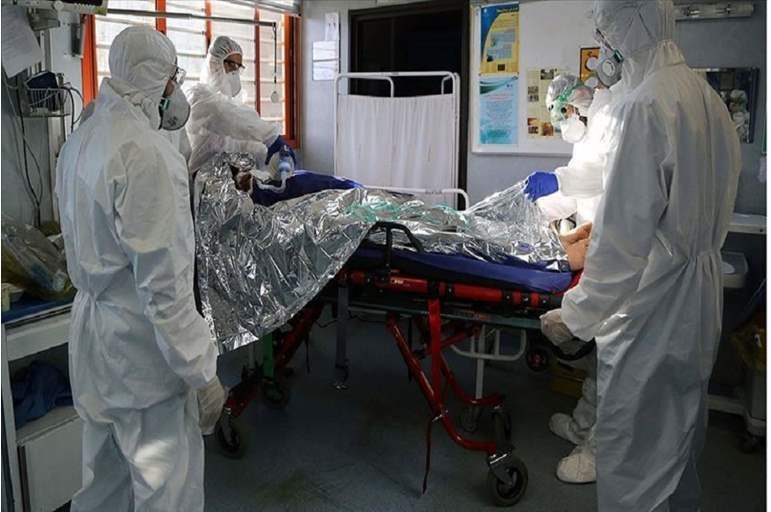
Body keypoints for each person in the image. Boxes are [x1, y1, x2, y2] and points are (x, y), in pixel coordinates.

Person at [540, 1, 741, 510]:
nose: (603, 48)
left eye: (605, 34)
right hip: (699, 295)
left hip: (655, 301)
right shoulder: (706, 98)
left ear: (629, 27)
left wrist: (575, 315)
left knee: (635, 448)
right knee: (678, 430)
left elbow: (621, 243)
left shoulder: (645, 105)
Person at [55, 26, 225, 511]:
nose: (175, 90)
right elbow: (164, 287)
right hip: (141, 357)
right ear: (154, 79)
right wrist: (201, 371)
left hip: (94, 344)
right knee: (166, 492)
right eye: (172, 79)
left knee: (104, 486)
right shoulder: (146, 154)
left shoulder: (83, 138)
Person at [186, 35, 296, 182]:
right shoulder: (200, 97)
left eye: (239, 67)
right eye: (232, 65)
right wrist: (271, 137)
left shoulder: (228, 104)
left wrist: (271, 156)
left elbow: (240, 143)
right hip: (201, 184)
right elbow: (228, 117)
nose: (235, 72)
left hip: (225, 182)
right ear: (214, 64)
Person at [524, 74, 614, 226]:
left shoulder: (606, 121)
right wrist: (538, 209)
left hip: (612, 223)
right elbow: (574, 194)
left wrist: (559, 180)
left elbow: (602, 176)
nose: (565, 124)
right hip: (591, 226)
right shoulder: (583, 139)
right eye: (560, 121)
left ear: (577, 100)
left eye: (564, 112)